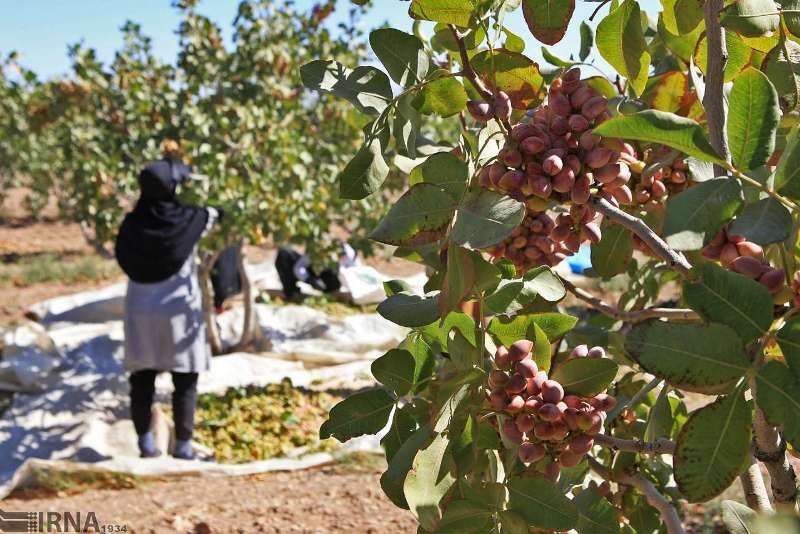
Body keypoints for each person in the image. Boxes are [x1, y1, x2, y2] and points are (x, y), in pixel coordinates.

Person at [115, 159, 221, 460]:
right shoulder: (192, 218)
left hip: (140, 309)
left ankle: (146, 444)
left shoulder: (131, 224)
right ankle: (184, 446)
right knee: (185, 379)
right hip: (178, 309)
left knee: (142, 378)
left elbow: (120, 255)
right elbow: (217, 214)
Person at [275, 242, 357, 301]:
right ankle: (292, 293)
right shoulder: (319, 248)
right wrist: (309, 280)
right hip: (314, 274)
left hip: (333, 280)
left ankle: (331, 292)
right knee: (284, 254)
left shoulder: (347, 252)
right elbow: (299, 267)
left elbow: (353, 272)